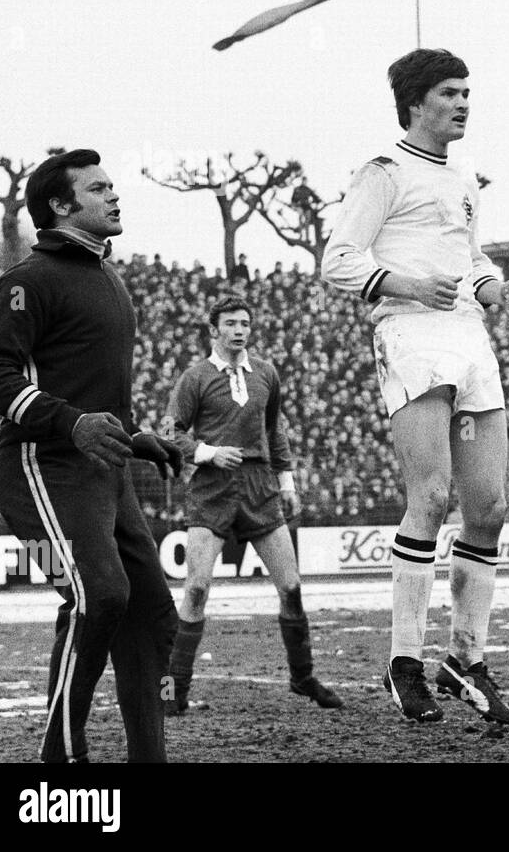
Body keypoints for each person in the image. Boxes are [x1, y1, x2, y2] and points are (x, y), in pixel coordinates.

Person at [322, 47, 509, 725]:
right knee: (432, 495)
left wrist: (495, 287)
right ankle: (404, 660)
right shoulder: (383, 173)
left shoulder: (466, 175)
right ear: (417, 103)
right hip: (410, 334)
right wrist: (409, 283)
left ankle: (465, 657)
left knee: (489, 504)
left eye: (468, 91)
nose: (464, 103)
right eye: (450, 92)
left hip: (469, 338)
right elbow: (339, 260)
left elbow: (468, 260)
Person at [0, 148, 183, 762]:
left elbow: (95, 390)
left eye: (112, 185)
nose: (115, 195)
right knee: (99, 594)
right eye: (98, 188)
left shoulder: (108, 277)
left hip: (102, 471)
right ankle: (61, 756)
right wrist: (73, 423)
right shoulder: (25, 281)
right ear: (61, 207)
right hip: (42, 467)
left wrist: (133, 434)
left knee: (149, 609)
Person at [163, 295, 342, 715]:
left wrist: (287, 481)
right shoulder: (195, 377)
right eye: (230, 323)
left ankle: (302, 677)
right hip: (212, 487)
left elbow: (274, 428)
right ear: (214, 330)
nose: (240, 330)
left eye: (245, 322)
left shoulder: (265, 373)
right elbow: (170, 431)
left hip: (260, 484)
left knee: (292, 588)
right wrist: (206, 452)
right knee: (196, 589)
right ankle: (173, 692)